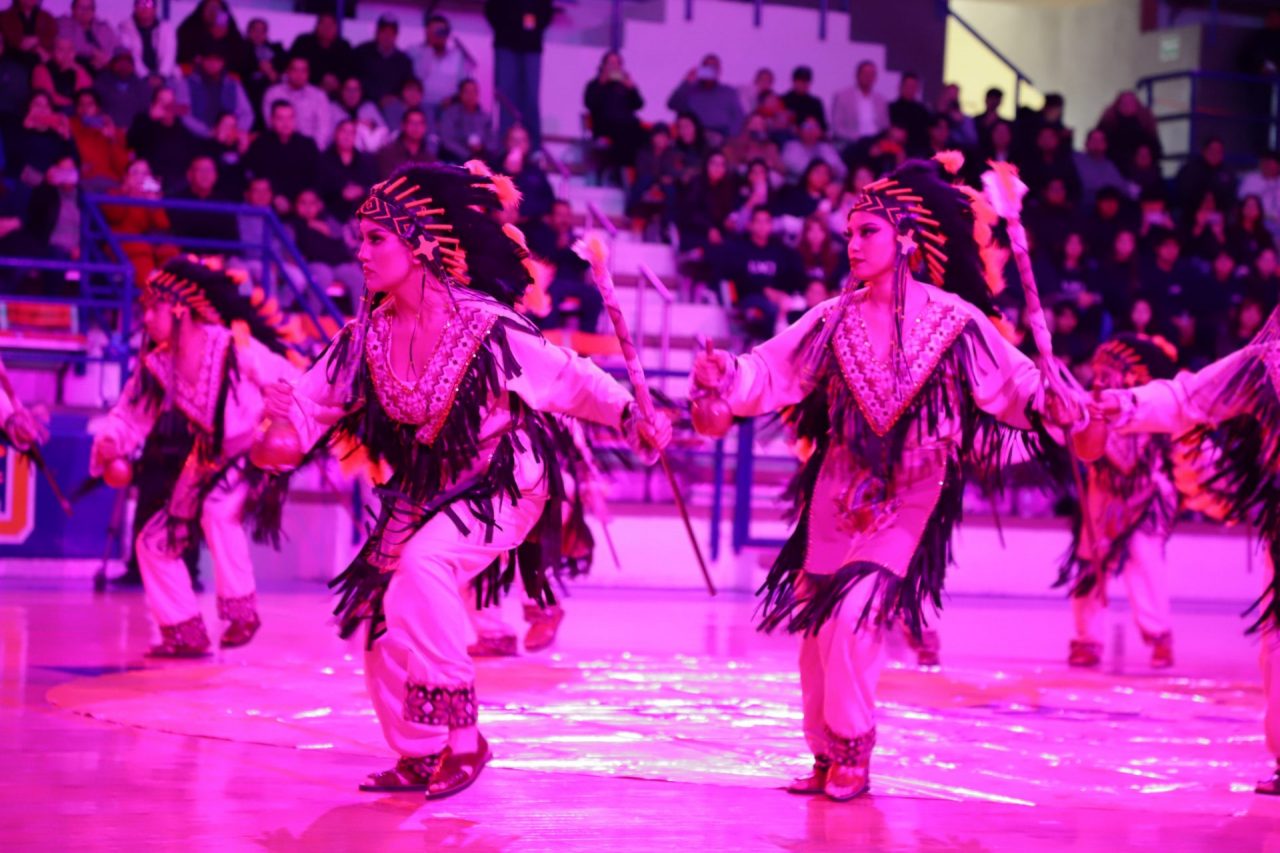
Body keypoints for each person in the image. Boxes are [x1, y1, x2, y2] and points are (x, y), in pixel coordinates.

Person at [260, 162, 671, 799]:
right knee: (380, 612)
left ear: (421, 245)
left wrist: (628, 414)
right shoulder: (367, 333)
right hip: (428, 486)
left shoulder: (486, 325)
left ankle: (464, 737)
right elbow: (313, 402)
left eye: (376, 239)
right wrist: (284, 419)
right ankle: (420, 749)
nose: (361, 253)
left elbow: (568, 377)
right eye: (361, 239)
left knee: (422, 565)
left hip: (505, 478)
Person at [690, 158, 1081, 802]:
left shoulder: (955, 321)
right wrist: (725, 376)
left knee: (852, 615)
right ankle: (824, 752)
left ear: (905, 239)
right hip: (837, 489)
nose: (853, 245)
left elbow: (1013, 385)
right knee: (818, 630)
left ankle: (853, 749)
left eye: (867, 232)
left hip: (914, 491)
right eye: (849, 233)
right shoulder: (831, 317)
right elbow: (771, 371)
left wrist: (1049, 399)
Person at [1088, 311, 1280, 794]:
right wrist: (1124, 403)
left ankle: (1157, 635)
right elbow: (1190, 398)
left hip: (1146, 497)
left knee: (1146, 557)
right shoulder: (1267, 360)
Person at [89, 258, 302, 657]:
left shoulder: (230, 344)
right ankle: (184, 631)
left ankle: (242, 612)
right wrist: (110, 441)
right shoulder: (158, 364)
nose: (145, 318)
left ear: (180, 308)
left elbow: (287, 377)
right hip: (207, 458)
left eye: (153, 308)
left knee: (217, 510)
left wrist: (283, 416)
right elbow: (130, 415)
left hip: (252, 450)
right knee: (154, 541)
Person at [1058, 334, 1180, 669]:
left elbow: (1153, 452)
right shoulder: (1088, 405)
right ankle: (1087, 638)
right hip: (1101, 499)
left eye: (1107, 372)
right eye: (1097, 371)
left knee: (1145, 564)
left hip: (1145, 499)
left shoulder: (1147, 407)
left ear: (1130, 376)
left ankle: (1158, 635)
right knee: (1090, 567)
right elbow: (1068, 435)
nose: (1099, 379)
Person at [484, 0, 552, 147]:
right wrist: (505, 28)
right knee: (506, 99)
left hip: (531, 47)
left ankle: (533, 148)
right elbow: (491, 9)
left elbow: (546, 12)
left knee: (531, 100)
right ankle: (505, 147)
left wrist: (535, 28)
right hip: (505, 45)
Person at [244, 99, 320, 215]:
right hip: (269, 204)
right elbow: (254, 176)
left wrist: (302, 200)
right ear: (272, 120)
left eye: (290, 118)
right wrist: (274, 196)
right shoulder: (260, 145)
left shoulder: (307, 145)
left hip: (301, 206)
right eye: (281, 119)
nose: (286, 123)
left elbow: (317, 177)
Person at [583, 50, 644, 178]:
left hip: (628, 125)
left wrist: (632, 89)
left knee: (644, 137)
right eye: (611, 63)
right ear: (603, 65)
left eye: (617, 63)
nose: (614, 66)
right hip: (606, 126)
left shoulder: (624, 85)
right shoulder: (594, 85)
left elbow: (639, 104)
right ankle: (618, 174)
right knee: (624, 135)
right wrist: (601, 84)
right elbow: (589, 103)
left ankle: (634, 174)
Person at [172, 45, 254, 138]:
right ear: (201, 60)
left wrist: (235, 132)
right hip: (195, 137)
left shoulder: (233, 84)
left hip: (228, 137)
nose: (213, 64)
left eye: (217, 60)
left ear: (223, 63)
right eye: (209, 60)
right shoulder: (186, 83)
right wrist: (208, 132)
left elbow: (247, 113)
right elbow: (183, 114)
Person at [408, 13, 475, 118]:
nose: (438, 35)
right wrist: (429, 48)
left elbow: (464, 86)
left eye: (442, 31)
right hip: (421, 106)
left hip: (450, 107)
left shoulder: (457, 56)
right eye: (434, 31)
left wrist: (453, 99)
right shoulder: (414, 52)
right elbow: (419, 76)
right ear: (427, 32)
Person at [667, 53, 744, 144]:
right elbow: (672, 104)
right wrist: (686, 82)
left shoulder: (728, 92)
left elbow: (738, 117)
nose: (710, 70)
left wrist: (731, 138)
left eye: (714, 67)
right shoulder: (690, 91)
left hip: (722, 137)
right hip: (695, 138)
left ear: (719, 71)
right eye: (707, 67)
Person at [263, 55, 332, 149]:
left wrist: (313, 151)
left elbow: (324, 129)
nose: (299, 75)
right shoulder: (273, 94)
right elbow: (271, 125)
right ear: (287, 71)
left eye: (303, 71)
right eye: (295, 70)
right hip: (279, 149)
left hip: (310, 150)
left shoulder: (319, 96)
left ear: (308, 73)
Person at [353, 15, 414, 112]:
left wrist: (395, 97)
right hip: (364, 104)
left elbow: (407, 86)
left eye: (391, 33)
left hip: (393, 107)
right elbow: (355, 80)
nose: (387, 36)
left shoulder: (404, 61)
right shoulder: (361, 53)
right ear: (377, 33)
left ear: (396, 35)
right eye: (384, 32)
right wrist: (378, 98)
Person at [288, 12, 350, 96]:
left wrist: (336, 81)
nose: (327, 28)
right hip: (305, 89)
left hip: (336, 92)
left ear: (336, 28)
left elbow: (348, 71)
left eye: (331, 25)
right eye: (323, 24)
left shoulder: (344, 46)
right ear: (317, 26)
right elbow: (292, 65)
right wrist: (320, 81)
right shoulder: (303, 43)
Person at [830, 61, 888, 148]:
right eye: (865, 74)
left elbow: (885, 126)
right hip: (853, 142)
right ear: (857, 75)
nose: (868, 77)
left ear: (875, 78)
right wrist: (855, 138)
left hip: (876, 143)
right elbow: (837, 126)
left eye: (871, 74)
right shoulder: (843, 97)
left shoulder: (881, 100)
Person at [437, 79, 494, 164]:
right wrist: (468, 154)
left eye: (474, 92)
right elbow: (447, 140)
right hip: (456, 158)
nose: (471, 95)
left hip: (481, 157)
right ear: (460, 94)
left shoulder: (484, 116)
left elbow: (492, 141)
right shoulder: (450, 113)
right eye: (467, 92)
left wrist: (482, 148)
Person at [116, 0, 174, 82]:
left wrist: (161, 76)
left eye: (148, 3)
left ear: (155, 9)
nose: (144, 8)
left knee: (178, 83)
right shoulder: (125, 28)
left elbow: (169, 54)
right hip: (137, 76)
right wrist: (146, 77)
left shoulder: (166, 28)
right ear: (135, 8)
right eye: (140, 4)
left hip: (164, 75)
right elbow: (133, 56)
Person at [94, 46, 149, 131]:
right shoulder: (101, 83)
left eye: (127, 61)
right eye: (119, 61)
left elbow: (144, 111)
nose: (123, 65)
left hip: (135, 132)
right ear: (112, 63)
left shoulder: (142, 86)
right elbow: (96, 109)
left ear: (133, 65)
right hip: (107, 130)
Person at [57, 0, 114, 73]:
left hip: (105, 67)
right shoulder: (64, 24)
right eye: (81, 7)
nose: (85, 11)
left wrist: (107, 59)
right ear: (73, 9)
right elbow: (69, 45)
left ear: (93, 11)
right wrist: (94, 52)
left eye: (89, 8)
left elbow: (116, 46)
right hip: (76, 66)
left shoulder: (103, 27)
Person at [0, 0, 56, 69]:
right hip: (12, 62)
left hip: (41, 63)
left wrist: (38, 40)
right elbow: (17, 42)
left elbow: (52, 38)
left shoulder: (47, 17)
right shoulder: (5, 17)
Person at [781, 66, 825, 132]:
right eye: (801, 80)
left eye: (806, 81)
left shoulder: (815, 103)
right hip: (788, 136)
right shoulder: (783, 100)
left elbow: (823, 127)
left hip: (810, 136)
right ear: (794, 81)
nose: (804, 84)